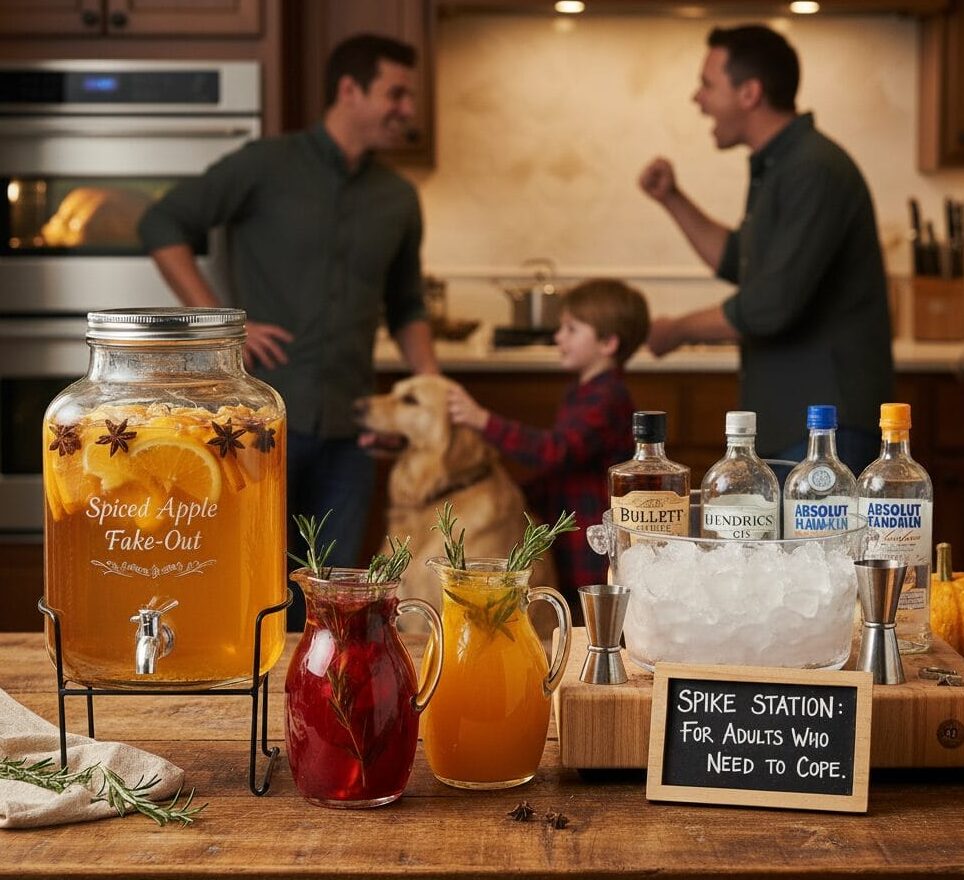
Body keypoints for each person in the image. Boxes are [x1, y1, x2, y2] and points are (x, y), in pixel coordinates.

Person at [138, 34, 439, 630]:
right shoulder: (264, 165)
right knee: (249, 584)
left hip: (352, 432)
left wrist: (433, 390)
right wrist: (223, 327)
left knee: (332, 598)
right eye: (396, 94)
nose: (408, 109)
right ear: (349, 90)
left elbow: (407, 304)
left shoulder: (398, 198)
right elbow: (161, 221)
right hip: (259, 422)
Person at [638, 24, 893, 476]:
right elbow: (742, 261)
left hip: (824, 431)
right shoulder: (783, 165)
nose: (697, 99)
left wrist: (676, 330)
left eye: (707, 85)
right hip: (797, 424)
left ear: (749, 93)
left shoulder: (813, 170)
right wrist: (671, 199)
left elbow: (769, 306)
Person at [447, 279, 650, 620]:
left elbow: (556, 451)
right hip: (569, 530)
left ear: (608, 343)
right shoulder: (581, 392)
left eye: (571, 329)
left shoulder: (608, 398)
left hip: (592, 539)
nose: (558, 337)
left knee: (590, 618)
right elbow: (560, 470)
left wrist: (484, 421)